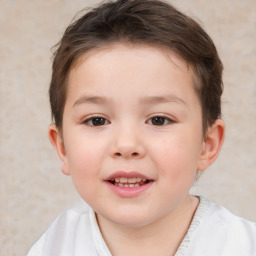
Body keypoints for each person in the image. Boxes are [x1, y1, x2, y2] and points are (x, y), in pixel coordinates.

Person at [27, 0, 256, 255]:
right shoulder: (53, 246)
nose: (126, 145)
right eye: (97, 120)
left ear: (208, 144)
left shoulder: (243, 245)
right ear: (62, 147)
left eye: (159, 120)